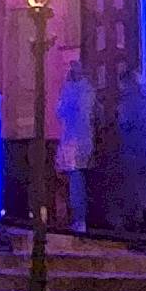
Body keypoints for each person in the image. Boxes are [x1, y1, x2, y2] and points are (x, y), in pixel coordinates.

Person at [56, 62, 94, 233]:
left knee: (76, 182)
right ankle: (79, 219)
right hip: (83, 142)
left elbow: (61, 111)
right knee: (78, 181)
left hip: (74, 142)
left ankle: (79, 220)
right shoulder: (88, 90)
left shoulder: (72, 91)